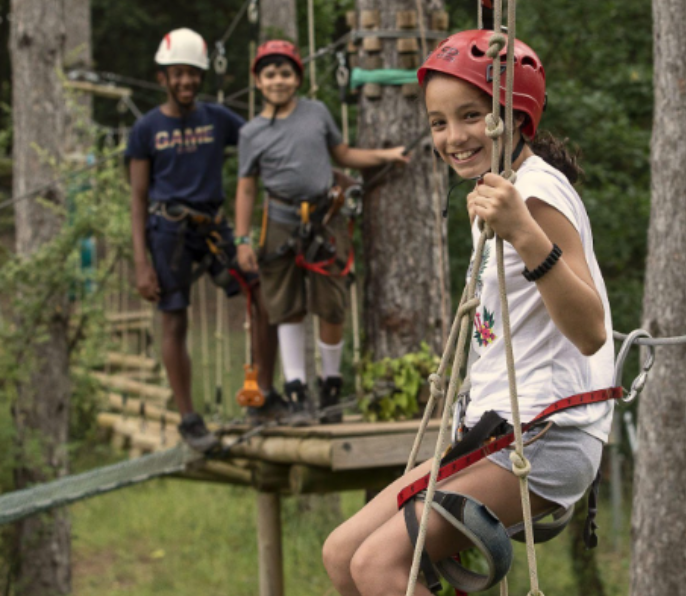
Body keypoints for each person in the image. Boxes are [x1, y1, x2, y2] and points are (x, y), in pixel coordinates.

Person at [321, 30, 616, 595]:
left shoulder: (535, 195)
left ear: (514, 115)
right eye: (439, 122)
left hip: (546, 434)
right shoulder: (497, 191)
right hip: (495, 429)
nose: (454, 136)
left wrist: (525, 233)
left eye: (472, 116)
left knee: (377, 566)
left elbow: (591, 330)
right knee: (343, 554)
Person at [235, 40, 409, 426]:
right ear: (258, 81)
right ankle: (296, 390)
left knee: (331, 302)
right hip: (280, 221)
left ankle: (330, 385)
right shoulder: (251, 133)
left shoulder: (316, 113)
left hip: (325, 216)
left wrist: (385, 156)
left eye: (285, 73)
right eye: (269, 74)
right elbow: (246, 187)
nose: (278, 81)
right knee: (287, 305)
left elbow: (343, 155)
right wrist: (242, 239)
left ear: (297, 78)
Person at [127, 28, 280, 451]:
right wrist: (141, 264)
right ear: (163, 77)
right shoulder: (146, 129)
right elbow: (137, 199)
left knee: (261, 294)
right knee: (174, 318)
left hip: (213, 228)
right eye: (178, 73)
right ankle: (190, 420)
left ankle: (262, 394)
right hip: (168, 231)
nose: (186, 81)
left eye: (193, 73)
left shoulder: (217, 119)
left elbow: (261, 141)